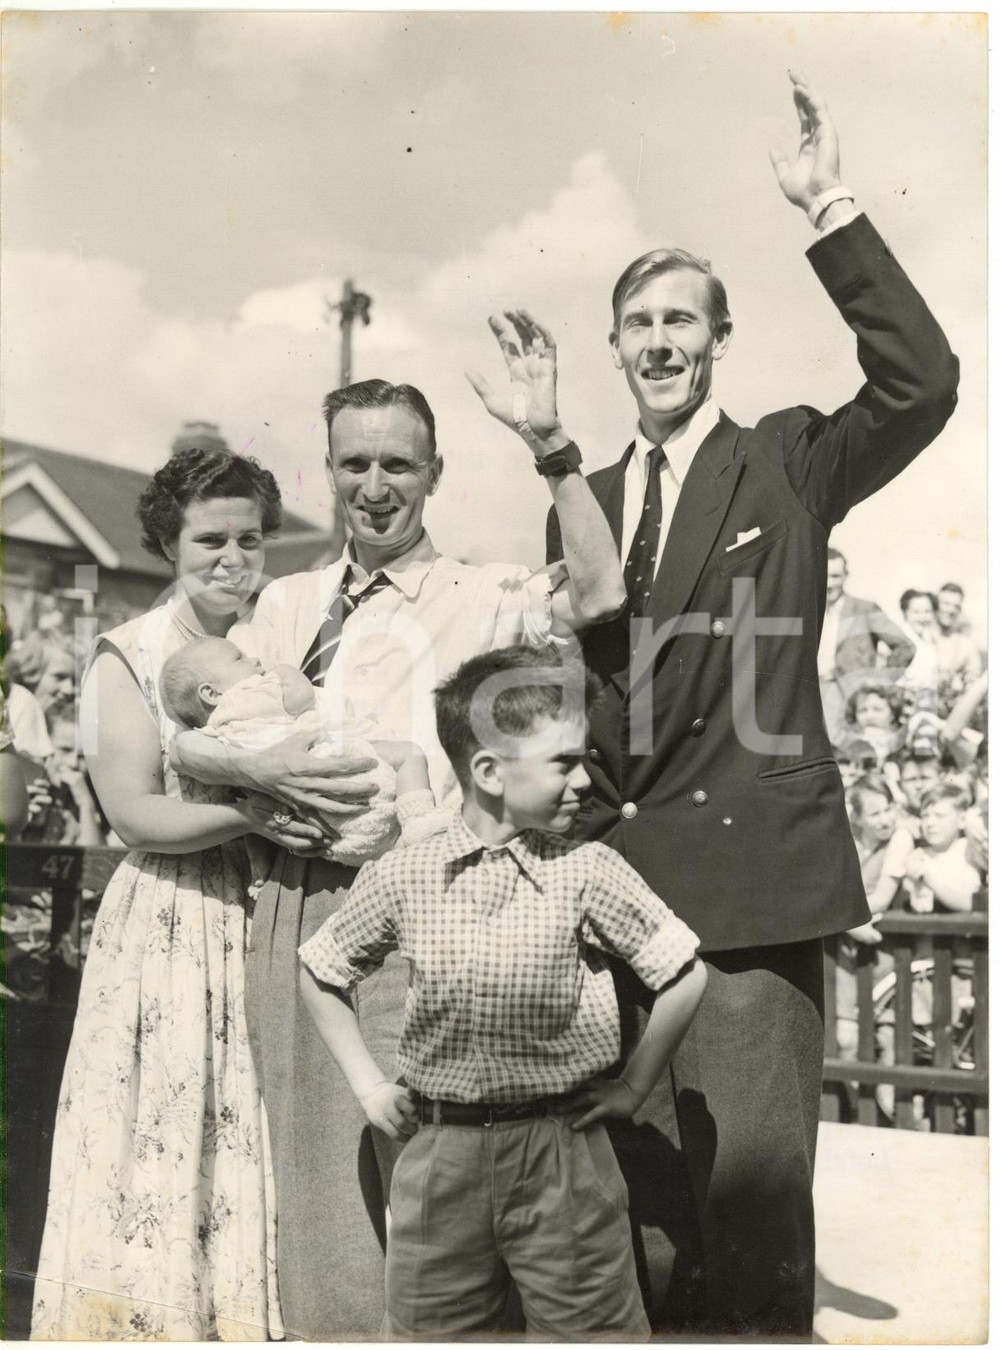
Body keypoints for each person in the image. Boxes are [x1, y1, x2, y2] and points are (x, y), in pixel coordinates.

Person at [545, 71, 958, 1335]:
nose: (659, 341)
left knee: (751, 1228)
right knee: (637, 1229)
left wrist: (827, 207)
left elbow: (920, 384)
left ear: (719, 338)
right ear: (615, 348)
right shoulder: (582, 501)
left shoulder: (784, 457)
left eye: (682, 318)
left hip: (751, 897)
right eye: (637, 323)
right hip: (615, 899)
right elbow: (593, 697)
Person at [173, 330, 627, 1337]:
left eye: (398, 465)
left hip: (428, 912)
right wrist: (258, 776)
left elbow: (600, 594)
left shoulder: (483, 593)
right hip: (295, 907)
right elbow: (192, 734)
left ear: (434, 473)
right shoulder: (282, 602)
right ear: (330, 470)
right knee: (313, 1184)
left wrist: (550, 446)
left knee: (433, 1185)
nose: (375, 488)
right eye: (354, 464)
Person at [299, 645, 706, 1338]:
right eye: (563, 762)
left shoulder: (587, 870)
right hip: (440, 1159)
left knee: (592, 1333)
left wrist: (633, 1088)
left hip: (561, 1155)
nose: (585, 779)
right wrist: (369, 1088)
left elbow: (683, 973)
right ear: (488, 771)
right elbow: (321, 971)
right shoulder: (406, 874)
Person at [31, 446, 297, 1341]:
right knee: (166, 1129)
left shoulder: (277, 641)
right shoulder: (131, 653)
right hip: (175, 916)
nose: (233, 559)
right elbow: (136, 814)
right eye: (210, 540)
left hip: (271, 908)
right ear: (168, 544)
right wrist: (256, 816)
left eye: (250, 540)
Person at [160, 634, 451, 865]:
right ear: (211, 693)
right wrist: (284, 670)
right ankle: (418, 819)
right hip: (338, 767)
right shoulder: (246, 697)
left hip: (327, 834)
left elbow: (183, 750)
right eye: (239, 658)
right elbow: (300, 696)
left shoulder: (215, 731)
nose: (255, 659)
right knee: (409, 753)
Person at [819, 548, 914, 741]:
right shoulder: (804, 609)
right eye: (823, 575)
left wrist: (877, 683)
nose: (829, 584)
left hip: (852, 699)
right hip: (809, 697)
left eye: (835, 576)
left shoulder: (864, 609)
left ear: (846, 576)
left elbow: (905, 647)